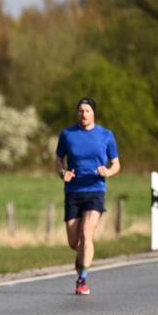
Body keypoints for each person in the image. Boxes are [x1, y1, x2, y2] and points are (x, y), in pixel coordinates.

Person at [55, 97, 121, 295]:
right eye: (80, 111)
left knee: (86, 232)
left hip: (95, 189)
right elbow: (59, 159)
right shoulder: (67, 134)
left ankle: (82, 280)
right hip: (73, 192)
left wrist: (108, 172)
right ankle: (82, 256)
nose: (83, 114)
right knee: (74, 242)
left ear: (94, 113)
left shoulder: (106, 135)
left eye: (87, 111)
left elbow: (116, 163)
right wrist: (62, 172)